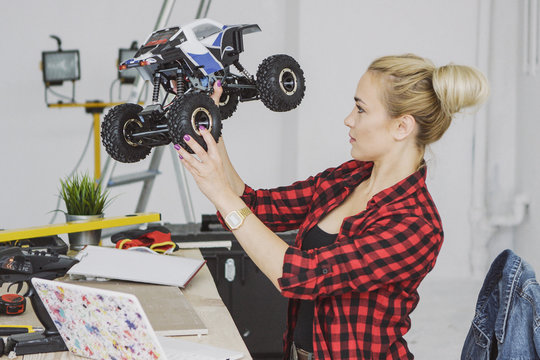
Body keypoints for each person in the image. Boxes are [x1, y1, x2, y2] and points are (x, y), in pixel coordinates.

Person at [173, 54, 489, 359]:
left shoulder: (415, 226)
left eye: (361, 109)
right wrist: (209, 126)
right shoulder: (349, 177)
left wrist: (220, 194)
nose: (348, 119)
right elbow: (257, 207)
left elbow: (300, 276)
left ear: (402, 127)